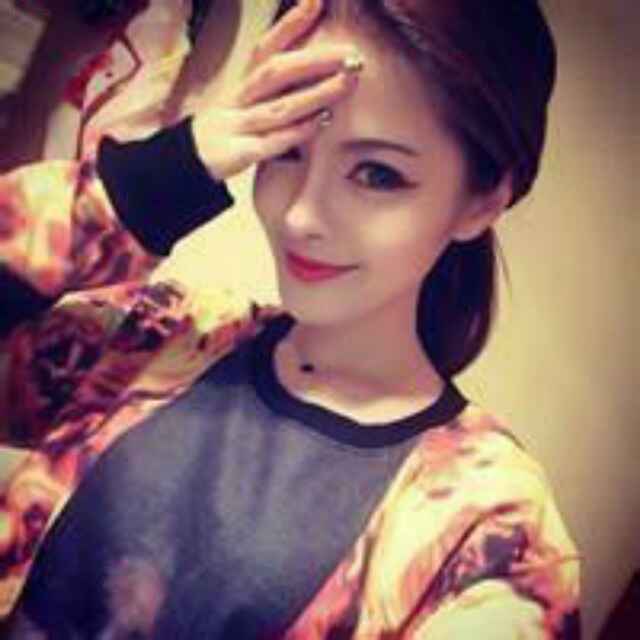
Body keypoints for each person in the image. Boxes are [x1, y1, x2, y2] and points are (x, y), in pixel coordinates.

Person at [0, 0, 582, 637]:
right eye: (288, 149)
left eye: (378, 174)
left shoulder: (490, 528)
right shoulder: (160, 336)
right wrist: (173, 168)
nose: (301, 216)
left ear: (483, 201)